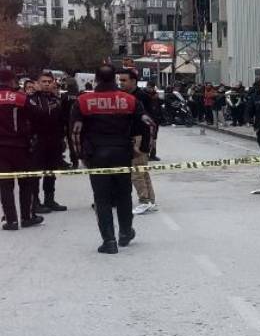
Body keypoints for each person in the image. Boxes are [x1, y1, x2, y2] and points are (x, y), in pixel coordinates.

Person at [72, 65, 149, 254]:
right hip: (122, 153)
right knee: (124, 195)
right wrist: (142, 149)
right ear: (114, 79)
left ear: (96, 80)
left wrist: (80, 155)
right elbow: (148, 124)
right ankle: (125, 232)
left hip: (96, 154)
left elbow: (75, 132)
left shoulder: (83, 101)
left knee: (102, 198)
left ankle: (109, 241)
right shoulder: (129, 100)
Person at [0, 69, 42, 231]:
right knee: (26, 182)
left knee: (5, 185)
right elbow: (37, 115)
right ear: (12, 81)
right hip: (21, 146)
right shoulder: (20, 98)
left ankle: (11, 221)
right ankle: (27, 217)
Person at [27, 72, 69, 213]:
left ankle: (49, 200)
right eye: (43, 81)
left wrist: (63, 138)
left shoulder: (57, 100)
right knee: (35, 172)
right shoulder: (31, 100)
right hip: (37, 140)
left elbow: (63, 120)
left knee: (51, 171)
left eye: (49, 82)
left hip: (54, 140)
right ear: (37, 83)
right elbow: (35, 116)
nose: (46, 84)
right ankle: (35, 202)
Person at [119, 70, 158, 215]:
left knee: (137, 173)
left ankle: (145, 201)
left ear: (133, 81)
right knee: (142, 171)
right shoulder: (123, 96)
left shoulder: (142, 97)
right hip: (131, 137)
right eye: (120, 80)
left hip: (139, 138)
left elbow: (151, 121)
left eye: (124, 80)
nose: (121, 83)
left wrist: (146, 142)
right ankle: (150, 201)